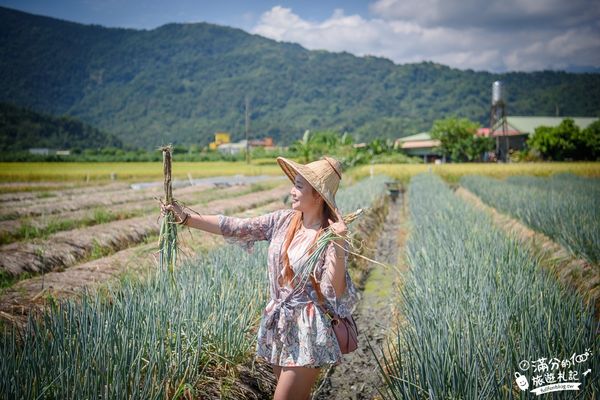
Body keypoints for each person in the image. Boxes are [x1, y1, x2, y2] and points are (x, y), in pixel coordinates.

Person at [160, 156, 359, 400]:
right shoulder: (282, 221)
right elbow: (236, 226)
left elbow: (334, 290)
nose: (292, 191)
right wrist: (186, 218)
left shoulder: (330, 237)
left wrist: (339, 244)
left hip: (308, 330)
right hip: (279, 323)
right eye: (293, 184)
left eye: (298, 186)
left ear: (317, 195)